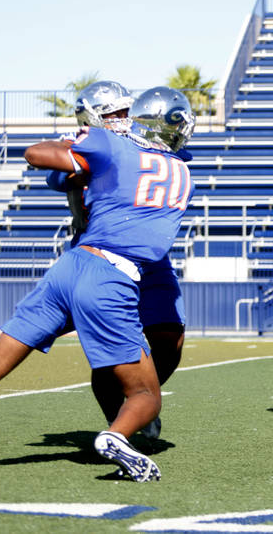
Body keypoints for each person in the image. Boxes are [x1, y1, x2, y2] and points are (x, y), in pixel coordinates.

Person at [0, 86, 197, 482]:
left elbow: (38, 155)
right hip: (112, 273)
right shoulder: (180, 166)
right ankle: (115, 434)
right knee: (147, 397)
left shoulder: (109, 145)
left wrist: (79, 147)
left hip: (71, 266)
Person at [46, 80, 188, 440]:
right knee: (110, 347)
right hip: (100, 252)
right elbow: (58, 174)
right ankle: (124, 420)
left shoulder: (139, 142)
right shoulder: (92, 145)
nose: (122, 119)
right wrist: (80, 147)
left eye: (126, 112)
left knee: (171, 336)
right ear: (93, 117)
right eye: (113, 114)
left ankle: (139, 400)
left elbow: (176, 156)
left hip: (147, 257)